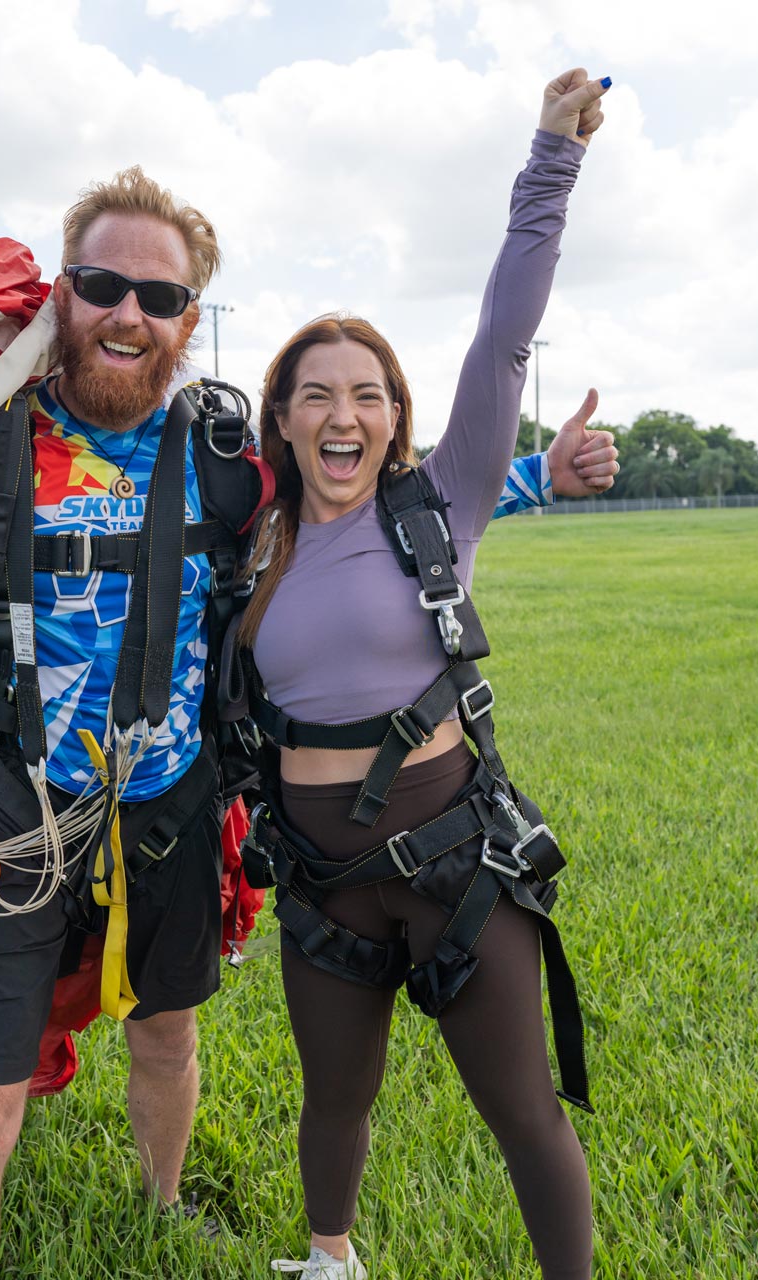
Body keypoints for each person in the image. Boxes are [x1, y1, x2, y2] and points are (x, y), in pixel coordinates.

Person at [0, 162, 585, 1278]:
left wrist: (538, 472)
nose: (131, 313)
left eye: (163, 297)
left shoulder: (230, 462)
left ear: (190, 320)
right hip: (9, 808)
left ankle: (161, 1203)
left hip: (173, 803)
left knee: (168, 1028)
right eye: (101, 284)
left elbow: (371, 502)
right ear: (59, 297)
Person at [231, 69, 617, 1280]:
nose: (343, 415)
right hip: (317, 875)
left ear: (397, 415)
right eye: (316, 396)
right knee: (332, 1096)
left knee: (524, 1110)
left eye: (368, 394)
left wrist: (551, 157)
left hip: (452, 860)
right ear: (284, 420)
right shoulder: (244, 544)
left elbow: (504, 331)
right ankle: (332, 1257)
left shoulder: (439, 504)